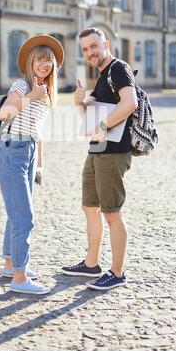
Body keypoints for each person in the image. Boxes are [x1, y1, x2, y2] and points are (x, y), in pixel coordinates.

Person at [61, 28, 138, 291]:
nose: (90, 52)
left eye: (93, 46)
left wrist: (103, 127)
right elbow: (89, 121)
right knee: (90, 207)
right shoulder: (103, 76)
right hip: (97, 150)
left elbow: (130, 103)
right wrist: (79, 102)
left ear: (105, 43)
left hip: (114, 152)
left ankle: (117, 272)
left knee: (111, 212)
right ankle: (91, 264)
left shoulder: (118, 68)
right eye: (84, 49)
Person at [0, 35, 64, 295]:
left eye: (49, 61)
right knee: (24, 217)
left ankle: (11, 264)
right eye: (39, 60)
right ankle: (20, 279)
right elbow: (5, 113)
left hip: (28, 151)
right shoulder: (23, 85)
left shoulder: (45, 91)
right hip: (12, 150)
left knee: (17, 213)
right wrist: (32, 96)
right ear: (30, 62)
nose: (44, 65)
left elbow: (38, 131)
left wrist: (40, 166)